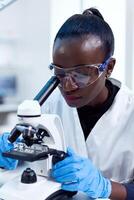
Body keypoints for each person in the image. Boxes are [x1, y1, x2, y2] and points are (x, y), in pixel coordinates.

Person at [42, 7, 134, 200]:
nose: (67, 86)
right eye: (60, 72)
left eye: (81, 74)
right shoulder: (49, 104)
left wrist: (105, 187)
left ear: (108, 67)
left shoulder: (130, 112)